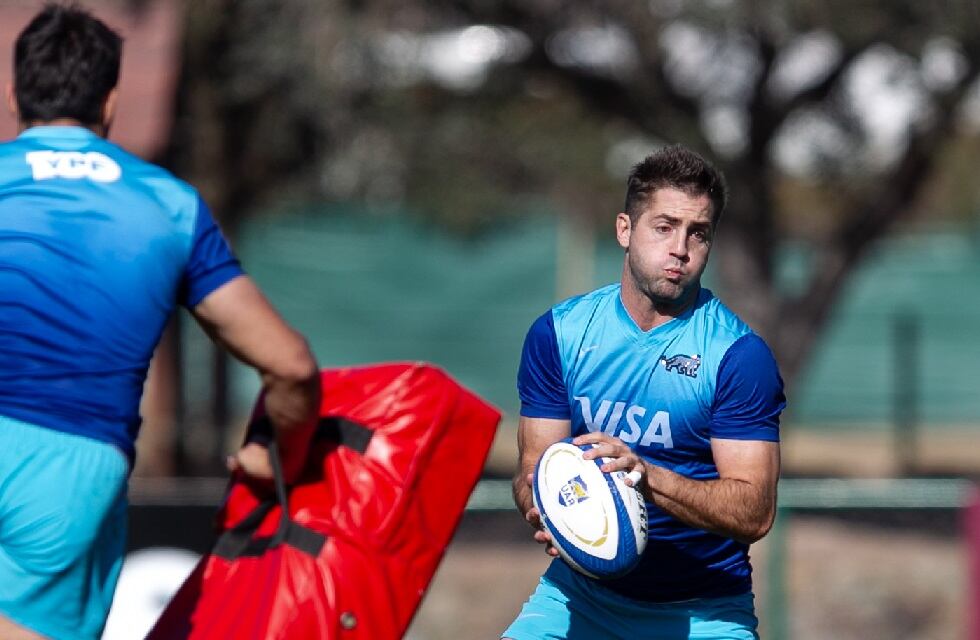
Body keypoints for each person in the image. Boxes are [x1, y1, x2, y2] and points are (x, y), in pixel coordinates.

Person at [0, 5, 320, 640]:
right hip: (69, 467)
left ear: (12, 96)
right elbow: (289, 365)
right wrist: (277, 456)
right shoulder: (166, 203)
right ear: (111, 100)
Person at [503, 145, 785, 640]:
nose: (680, 248)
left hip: (705, 613)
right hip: (578, 600)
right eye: (664, 226)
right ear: (624, 230)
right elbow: (532, 467)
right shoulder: (560, 334)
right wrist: (543, 506)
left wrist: (644, 476)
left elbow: (755, 511)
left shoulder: (737, 355)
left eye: (698, 233)